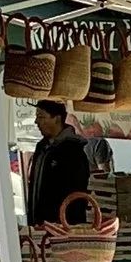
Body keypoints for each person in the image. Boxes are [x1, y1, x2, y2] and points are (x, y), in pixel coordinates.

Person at [25, 98, 96, 233]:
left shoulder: (73, 150)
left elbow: (77, 193)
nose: (36, 122)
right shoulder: (41, 147)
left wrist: (66, 226)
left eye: (41, 117)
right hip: (39, 226)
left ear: (57, 118)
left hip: (64, 229)